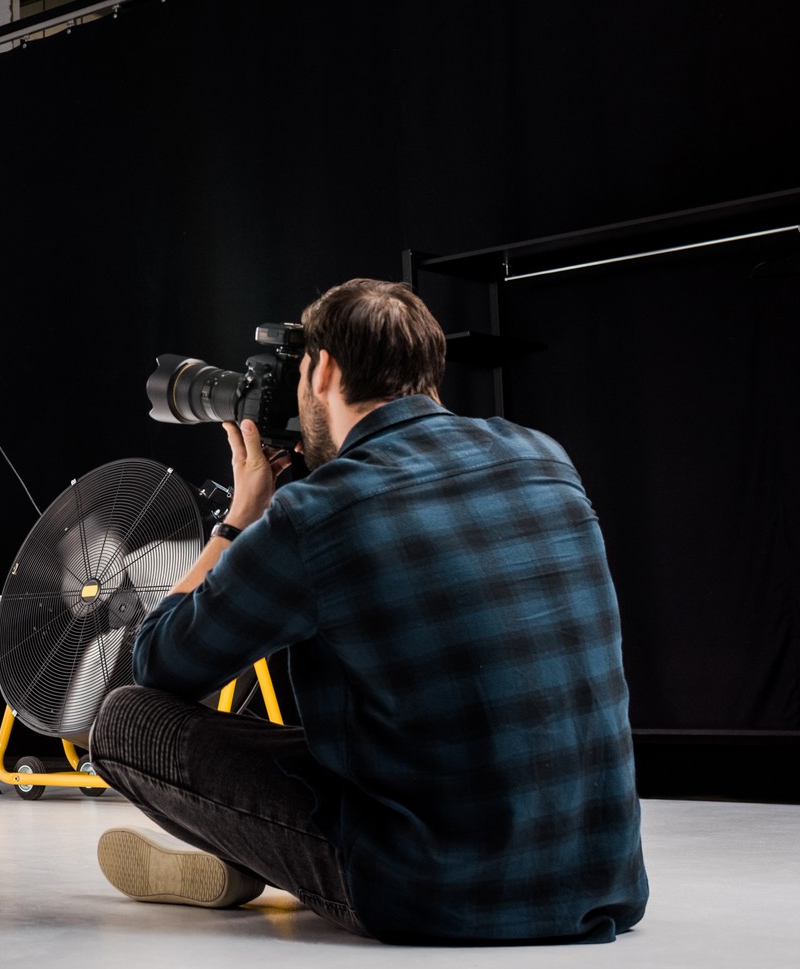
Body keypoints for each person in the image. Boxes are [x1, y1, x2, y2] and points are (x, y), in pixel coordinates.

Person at [89, 278, 649, 943]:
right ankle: (245, 854)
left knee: (125, 720)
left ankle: (248, 855)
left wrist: (241, 518)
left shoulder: (319, 510)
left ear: (323, 369)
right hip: (603, 878)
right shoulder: (545, 457)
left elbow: (161, 663)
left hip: (431, 893)